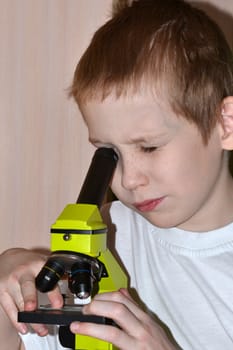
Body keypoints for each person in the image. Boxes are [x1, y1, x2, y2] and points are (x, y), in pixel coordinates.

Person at [1, 0, 233, 348]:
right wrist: (6, 281)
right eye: (109, 154)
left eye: (149, 147)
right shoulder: (105, 236)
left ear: (224, 124)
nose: (128, 180)